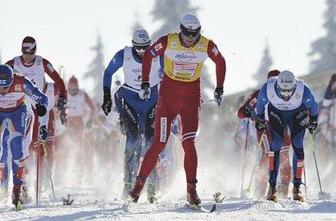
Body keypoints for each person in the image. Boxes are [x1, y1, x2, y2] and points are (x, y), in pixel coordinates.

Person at [128, 13, 226, 206]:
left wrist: (219, 87)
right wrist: (146, 82)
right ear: (181, 30)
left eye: (194, 34)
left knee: (188, 143)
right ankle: (137, 188)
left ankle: (191, 191)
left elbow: (221, 61)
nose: (190, 38)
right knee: (160, 142)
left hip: (190, 99)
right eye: (187, 34)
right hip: (168, 99)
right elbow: (148, 54)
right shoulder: (168, 41)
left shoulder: (205, 44)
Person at [102, 29, 162, 202]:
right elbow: (108, 72)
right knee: (133, 140)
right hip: (130, 100)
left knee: (152, 143)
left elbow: (172, 74)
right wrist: (107, 96)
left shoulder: (158, 54)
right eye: (139, 48)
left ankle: (152, 186)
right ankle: (128, 184)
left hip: (152, 100)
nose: (143, 51)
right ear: (133, 45)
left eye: (146, 47)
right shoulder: (124, 55)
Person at [256, 70, 319, 202]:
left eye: (289, 91)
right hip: (276, 112)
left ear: (294, 87)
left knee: (298, 144)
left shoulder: (303, 90)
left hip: (297, 112)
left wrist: (313, 121)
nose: (286, 96)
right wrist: (260, 120)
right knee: (276, 144)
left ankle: (297, 186)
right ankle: (272, 186)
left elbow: (314, 106)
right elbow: (260, 107)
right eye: (283, 91)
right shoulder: (268, 89)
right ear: (277, 86)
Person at [237, 70, 291, 198]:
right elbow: (241, 113)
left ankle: (284, 189)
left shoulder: (288, 89)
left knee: (283, 156)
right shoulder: (260, 92)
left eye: (276, 82)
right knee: (268, 156)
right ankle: (261, 190)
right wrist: (249, 113)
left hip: (283, 129)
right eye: (271, 83)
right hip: (265, 129)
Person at [0, 65, 48, 209]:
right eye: (0, 87)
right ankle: (3, 187)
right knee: (2, 152)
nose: (2, 91)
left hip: (20, 113)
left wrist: (42, 106)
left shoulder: (21, 82)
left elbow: (42, 97)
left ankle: (19, 188)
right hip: (1, 113)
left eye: (6, 87)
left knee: (17, 147)